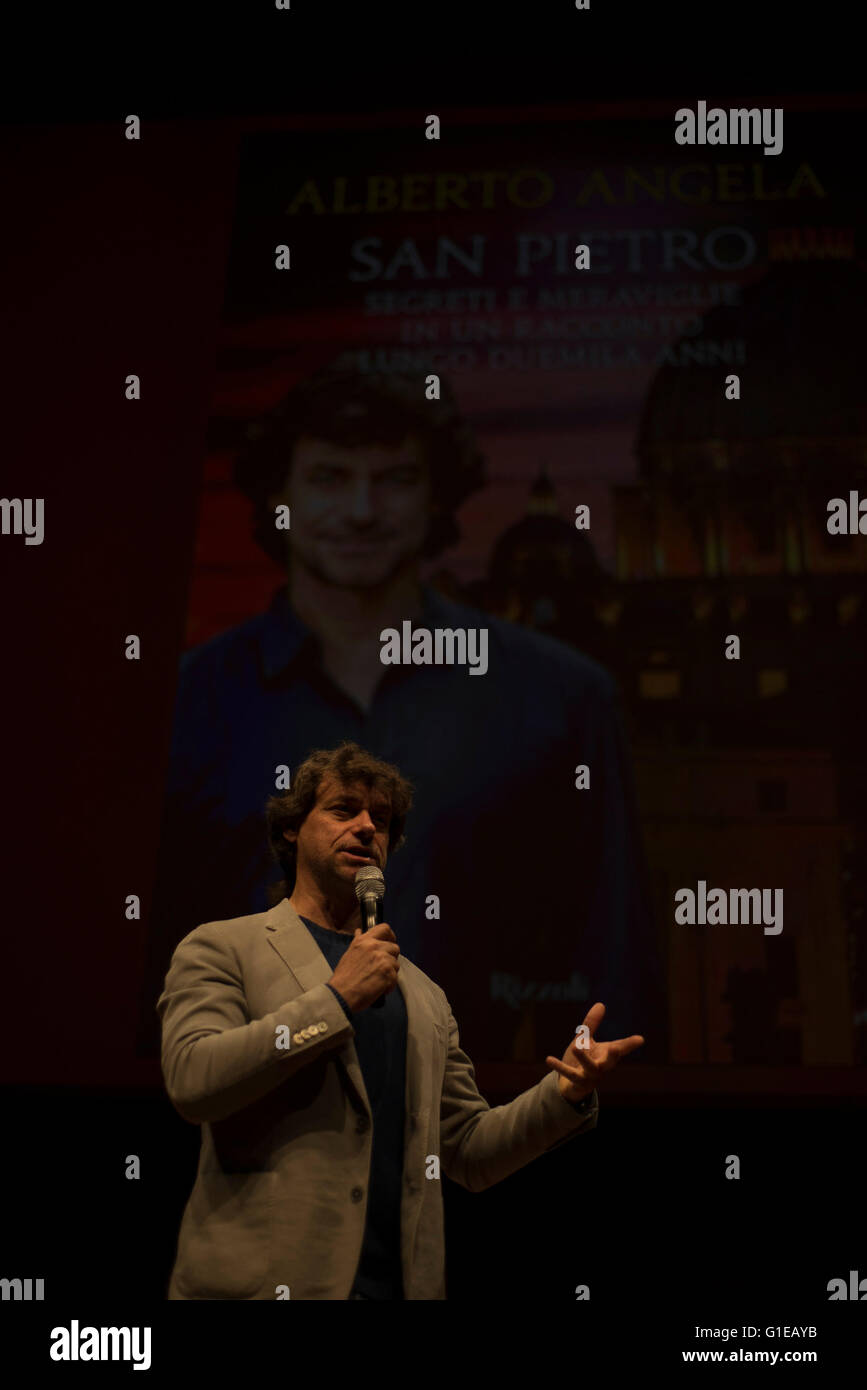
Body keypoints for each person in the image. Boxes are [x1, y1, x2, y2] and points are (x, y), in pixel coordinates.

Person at [142, 364, 666, 1067]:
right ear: (279, 498)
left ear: (436, 502)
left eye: (393, 479)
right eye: (328, 478)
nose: (360, 509)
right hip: (237, 1141)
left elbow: (609, 958)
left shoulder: (561, 698)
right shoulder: (184, 702)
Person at [158, 741, 645, 1300]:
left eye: (382, 820)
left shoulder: (424, 995)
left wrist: (564, 1094)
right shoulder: (223, 947)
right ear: (292, 829)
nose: (368, 829)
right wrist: (336, 999)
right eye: (344, 810)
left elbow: (467, 1150)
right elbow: (195, 1081)